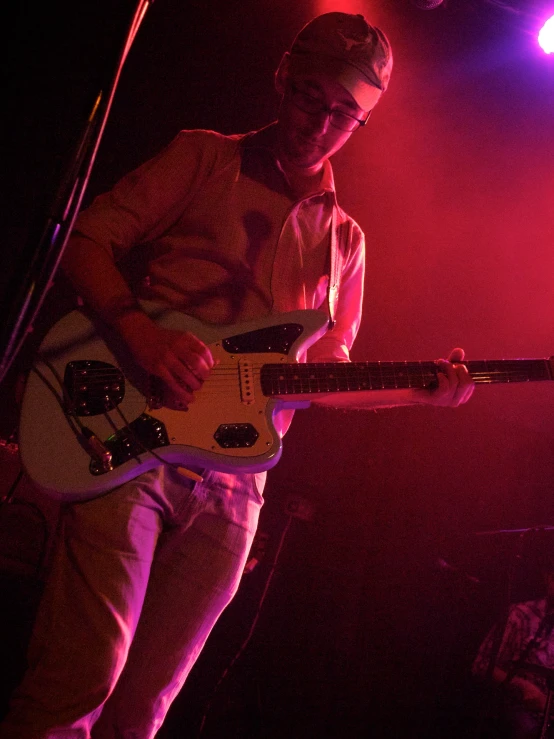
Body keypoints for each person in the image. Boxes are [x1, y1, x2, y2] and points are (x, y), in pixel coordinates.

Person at [0, 12, 474, 738]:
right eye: (312, 97)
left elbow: (325, 374)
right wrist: (141, 333)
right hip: (136, 446)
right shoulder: (202, 158)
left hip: (234, 491)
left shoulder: (346, 242)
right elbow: (88, 238)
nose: (322, 123)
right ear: (283, 76)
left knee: (145, 711)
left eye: (346, 114)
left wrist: (422, 389)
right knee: (80, 676)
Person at [472, 560, 554, 738]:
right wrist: (524, 687)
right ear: (549, 579)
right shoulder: (520, 615)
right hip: (518, 710)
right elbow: (482, 665)